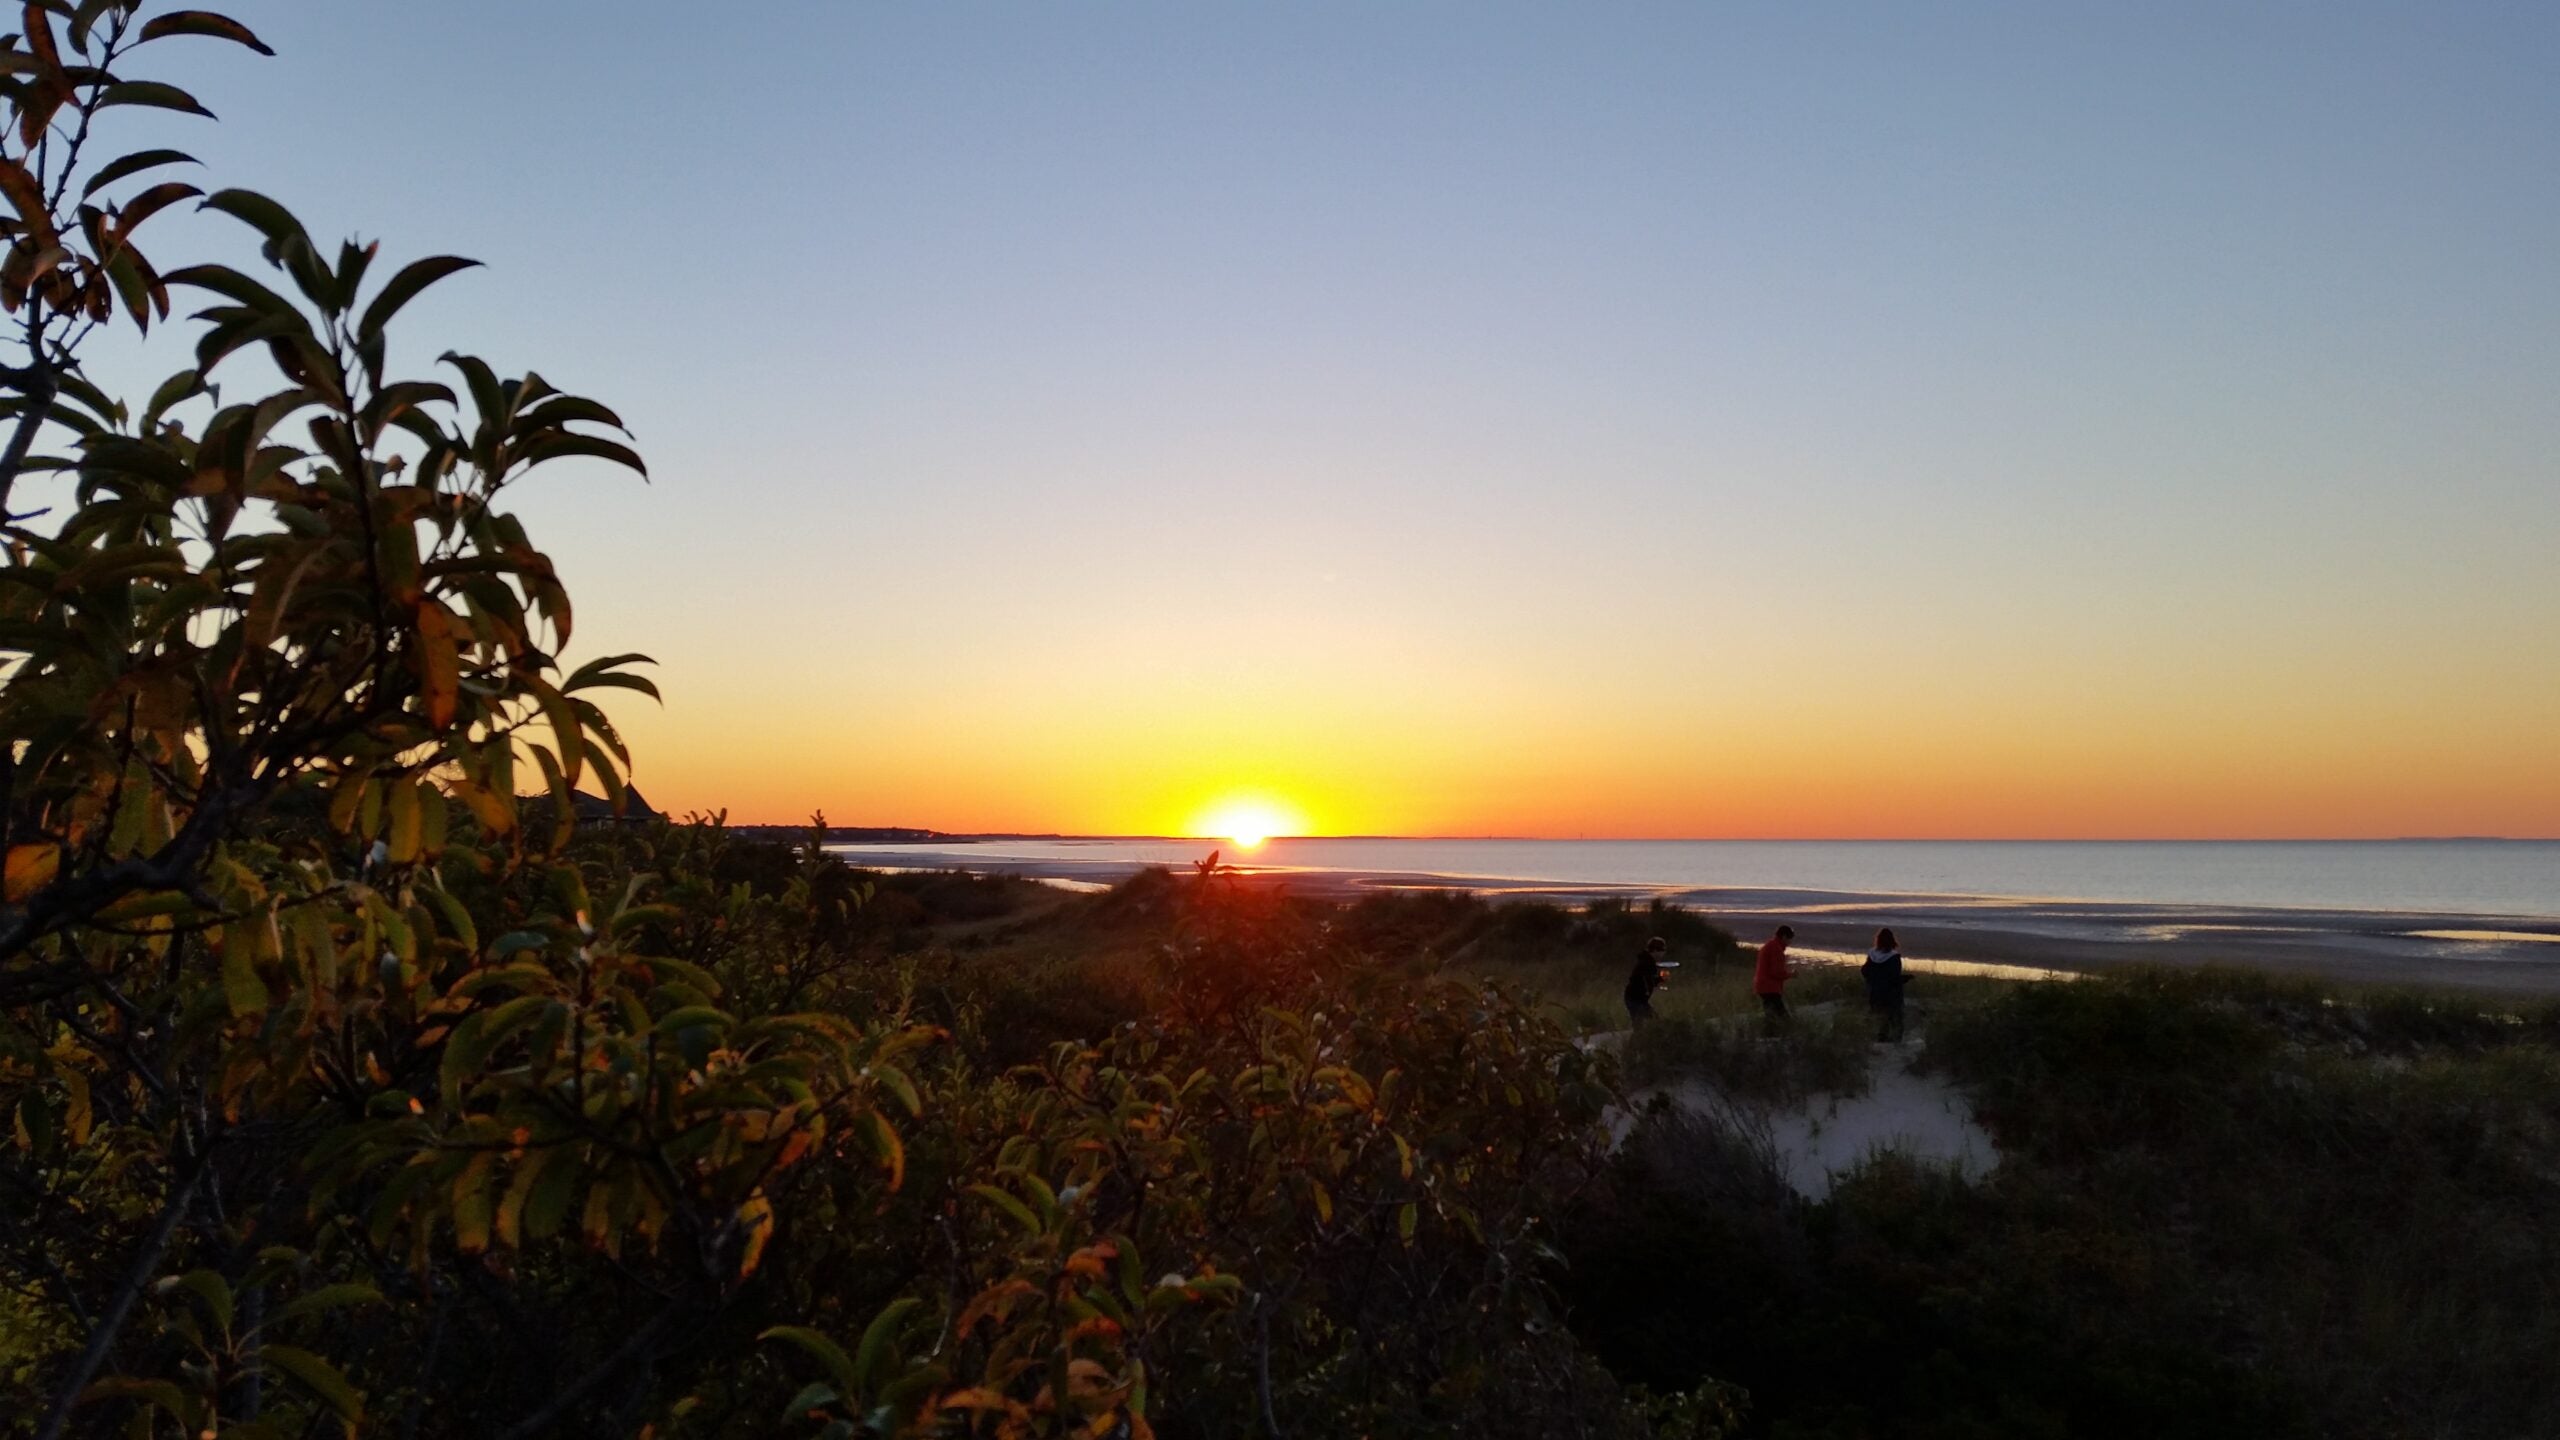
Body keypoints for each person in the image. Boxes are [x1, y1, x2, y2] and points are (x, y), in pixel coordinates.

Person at [1861, 927, 1911, 1042]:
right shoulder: (1894, 957)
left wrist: (1872, 982)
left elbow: (1864, 971)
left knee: (1879, 1017)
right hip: (1891, 994)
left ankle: (1881, 1039)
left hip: (1875, 991)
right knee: (1896, 1018)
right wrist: (1906, 978)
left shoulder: (1872, 954)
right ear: (1892, 941)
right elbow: (1894, 978)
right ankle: (1896, 1042)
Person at [1753, 925, 1795, 1031]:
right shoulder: (1776, 949)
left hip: (1762, 986)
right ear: (1784, 937)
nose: (1790, 942)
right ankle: (1782, 1034)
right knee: (1782, 1015)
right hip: (1769, 987)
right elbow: (1776, 972)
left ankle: (1769, 1034)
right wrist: (1791, 975)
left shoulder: (1770, 945)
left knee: (1770, 1014)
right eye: (1789, 939)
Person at [1624, 936, 1670, 1027]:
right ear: (1655, 950)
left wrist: (1660, 979)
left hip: (1637, 998)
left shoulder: (1647, 961)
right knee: (1650, 1022)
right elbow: (1647, 980)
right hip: (1635, 999)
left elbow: (1648, 980)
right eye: (1662, 951)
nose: (1663, 954)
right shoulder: (1647, 963)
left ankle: (1637, 1040)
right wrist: (1661, 980)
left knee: (1642, 1024)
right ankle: (1637, 1040)